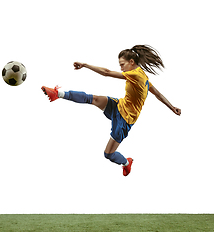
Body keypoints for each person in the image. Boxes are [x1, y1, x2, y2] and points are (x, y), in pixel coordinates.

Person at [41, 45, 181, 176]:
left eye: (122, 64)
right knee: (93, 99)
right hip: (119, 105)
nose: (121, 68)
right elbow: (158, 94)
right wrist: (172, 106)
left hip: (124, 121)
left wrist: (85, 65)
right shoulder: (141, 76)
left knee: (108, 154)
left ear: (131, 62)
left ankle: (127, 163)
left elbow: (107, 73)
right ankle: (57, 94)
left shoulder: (137, 75)